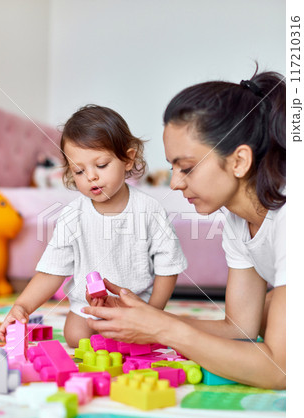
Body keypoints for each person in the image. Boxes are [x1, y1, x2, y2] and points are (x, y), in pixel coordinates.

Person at [82, 70, 286, 390]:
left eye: (187, 168)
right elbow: (240, 328)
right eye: (173, 167)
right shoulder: (237, 220)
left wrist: (162, 329)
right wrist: (143, 319)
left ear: (239, 161)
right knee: (268, 311)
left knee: (274, 308)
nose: (175, 183)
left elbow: (281, 370)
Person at [0, 105, 187, 347]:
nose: (91, 177)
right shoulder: (72, 216)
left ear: (128, 160)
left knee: (145, 341)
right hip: (87, 308)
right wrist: (21, 306)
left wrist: (153, 313)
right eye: (79, 170)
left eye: (101, 165)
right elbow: (52, 271)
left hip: (136, 305)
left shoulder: (150, 210)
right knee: (75, 337)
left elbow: (168, 267)